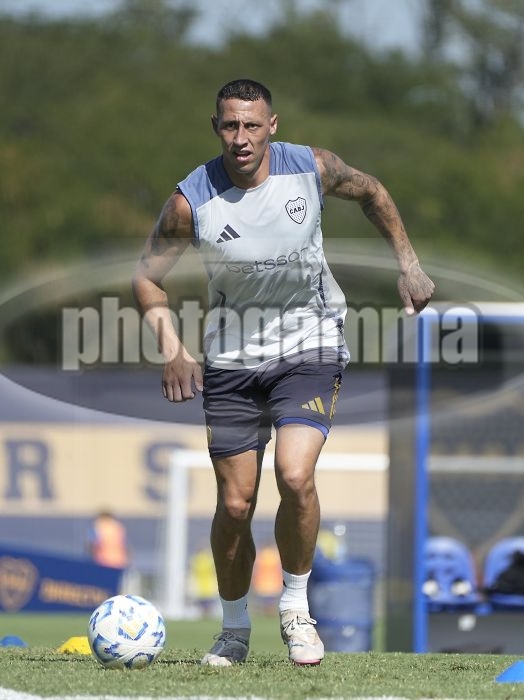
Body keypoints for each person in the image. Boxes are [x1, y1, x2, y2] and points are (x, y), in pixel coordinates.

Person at [132, 78, 434, 666]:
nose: (240, 138)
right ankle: (234, 628)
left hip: (309, 346)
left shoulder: (311, 169)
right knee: (236, 504)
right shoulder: (190, 202)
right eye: (229, 125)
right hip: (232, 361)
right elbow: (147, 277)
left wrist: (409, 264)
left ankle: (296, 608)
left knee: (295, 476)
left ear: (272, 125)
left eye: (252, 125)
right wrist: (173, 349)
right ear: (215, 128)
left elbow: (372, 191)